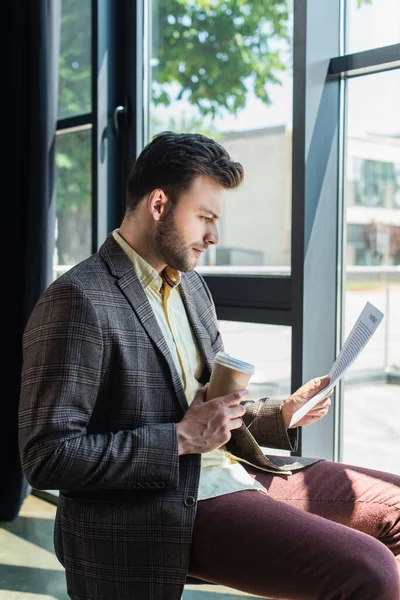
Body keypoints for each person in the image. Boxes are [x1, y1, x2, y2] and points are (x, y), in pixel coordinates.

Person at [19, 132, 400, 600]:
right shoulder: (78, 299)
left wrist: (280, 413)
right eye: (205, 218)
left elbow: (207, 409)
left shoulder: (192, 290)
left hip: (232, 469)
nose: (214, 236)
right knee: (370, 571)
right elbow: (47, 457)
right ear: (158, 204)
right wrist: (179, 439)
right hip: (160, 505)